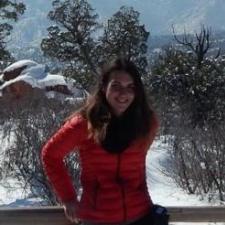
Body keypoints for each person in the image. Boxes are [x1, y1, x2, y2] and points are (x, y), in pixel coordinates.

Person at [41, 58, 159, 225]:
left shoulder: (147, 122)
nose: (123, 94)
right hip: (97, 218)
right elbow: (50, 154)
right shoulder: (85, 124)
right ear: (104, 88)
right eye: (116, 86)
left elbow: (138, 166)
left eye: (130, 87)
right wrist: (68, 198)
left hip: (140, 215)